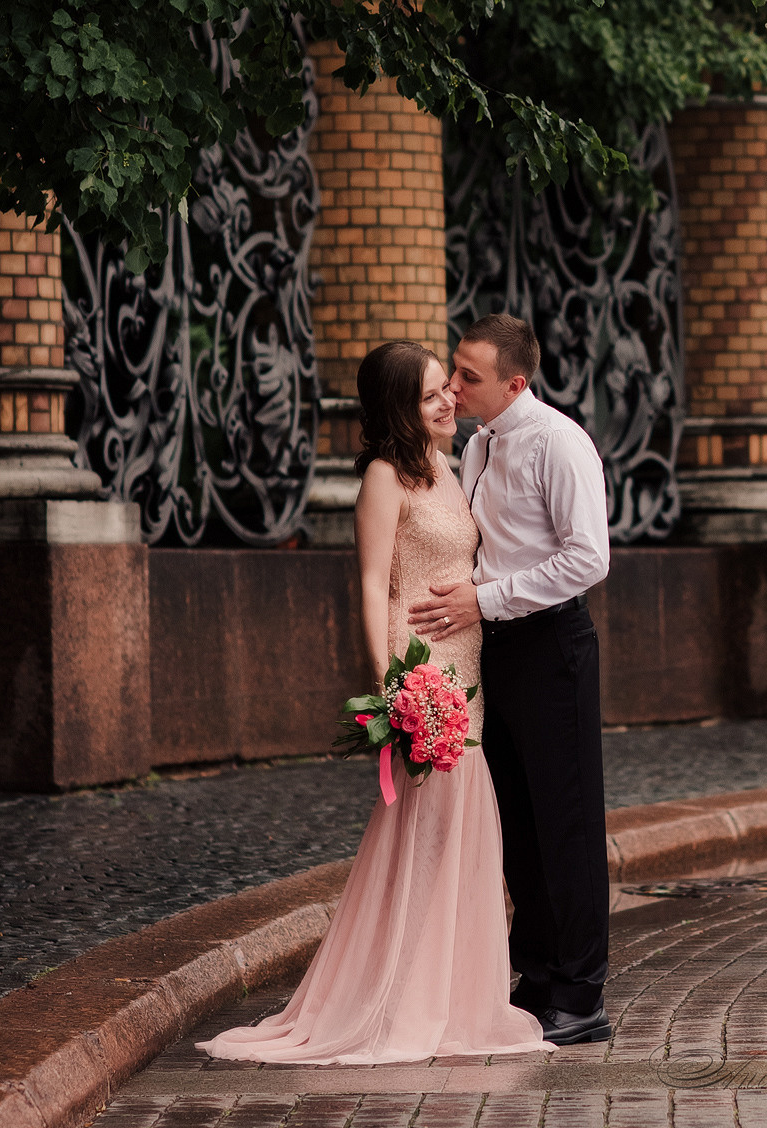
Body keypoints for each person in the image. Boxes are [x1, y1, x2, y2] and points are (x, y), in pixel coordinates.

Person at [197, 339, 543, 1066]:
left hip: (467, 670)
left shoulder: (447, 466)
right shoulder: (385, 477)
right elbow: (370, 584)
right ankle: (399, 998)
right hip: (422, 670)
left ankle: (450, 997)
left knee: (457, 835)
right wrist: (392, 686)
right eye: (430, 395)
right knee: (422, 833)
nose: (449, 400)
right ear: (398, 409)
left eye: (446, 388)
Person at [408, 312, 612, 1047]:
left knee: (567, 822)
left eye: (469, 377)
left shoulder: (559, 442)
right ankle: (538, 977)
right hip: (494, 649)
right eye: (455, 370)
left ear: (515, 383)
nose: (455, 387)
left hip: (553, 643)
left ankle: (581, 996)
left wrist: (486, 599)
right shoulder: (478, 445)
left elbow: (588, 558)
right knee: (518, 822)